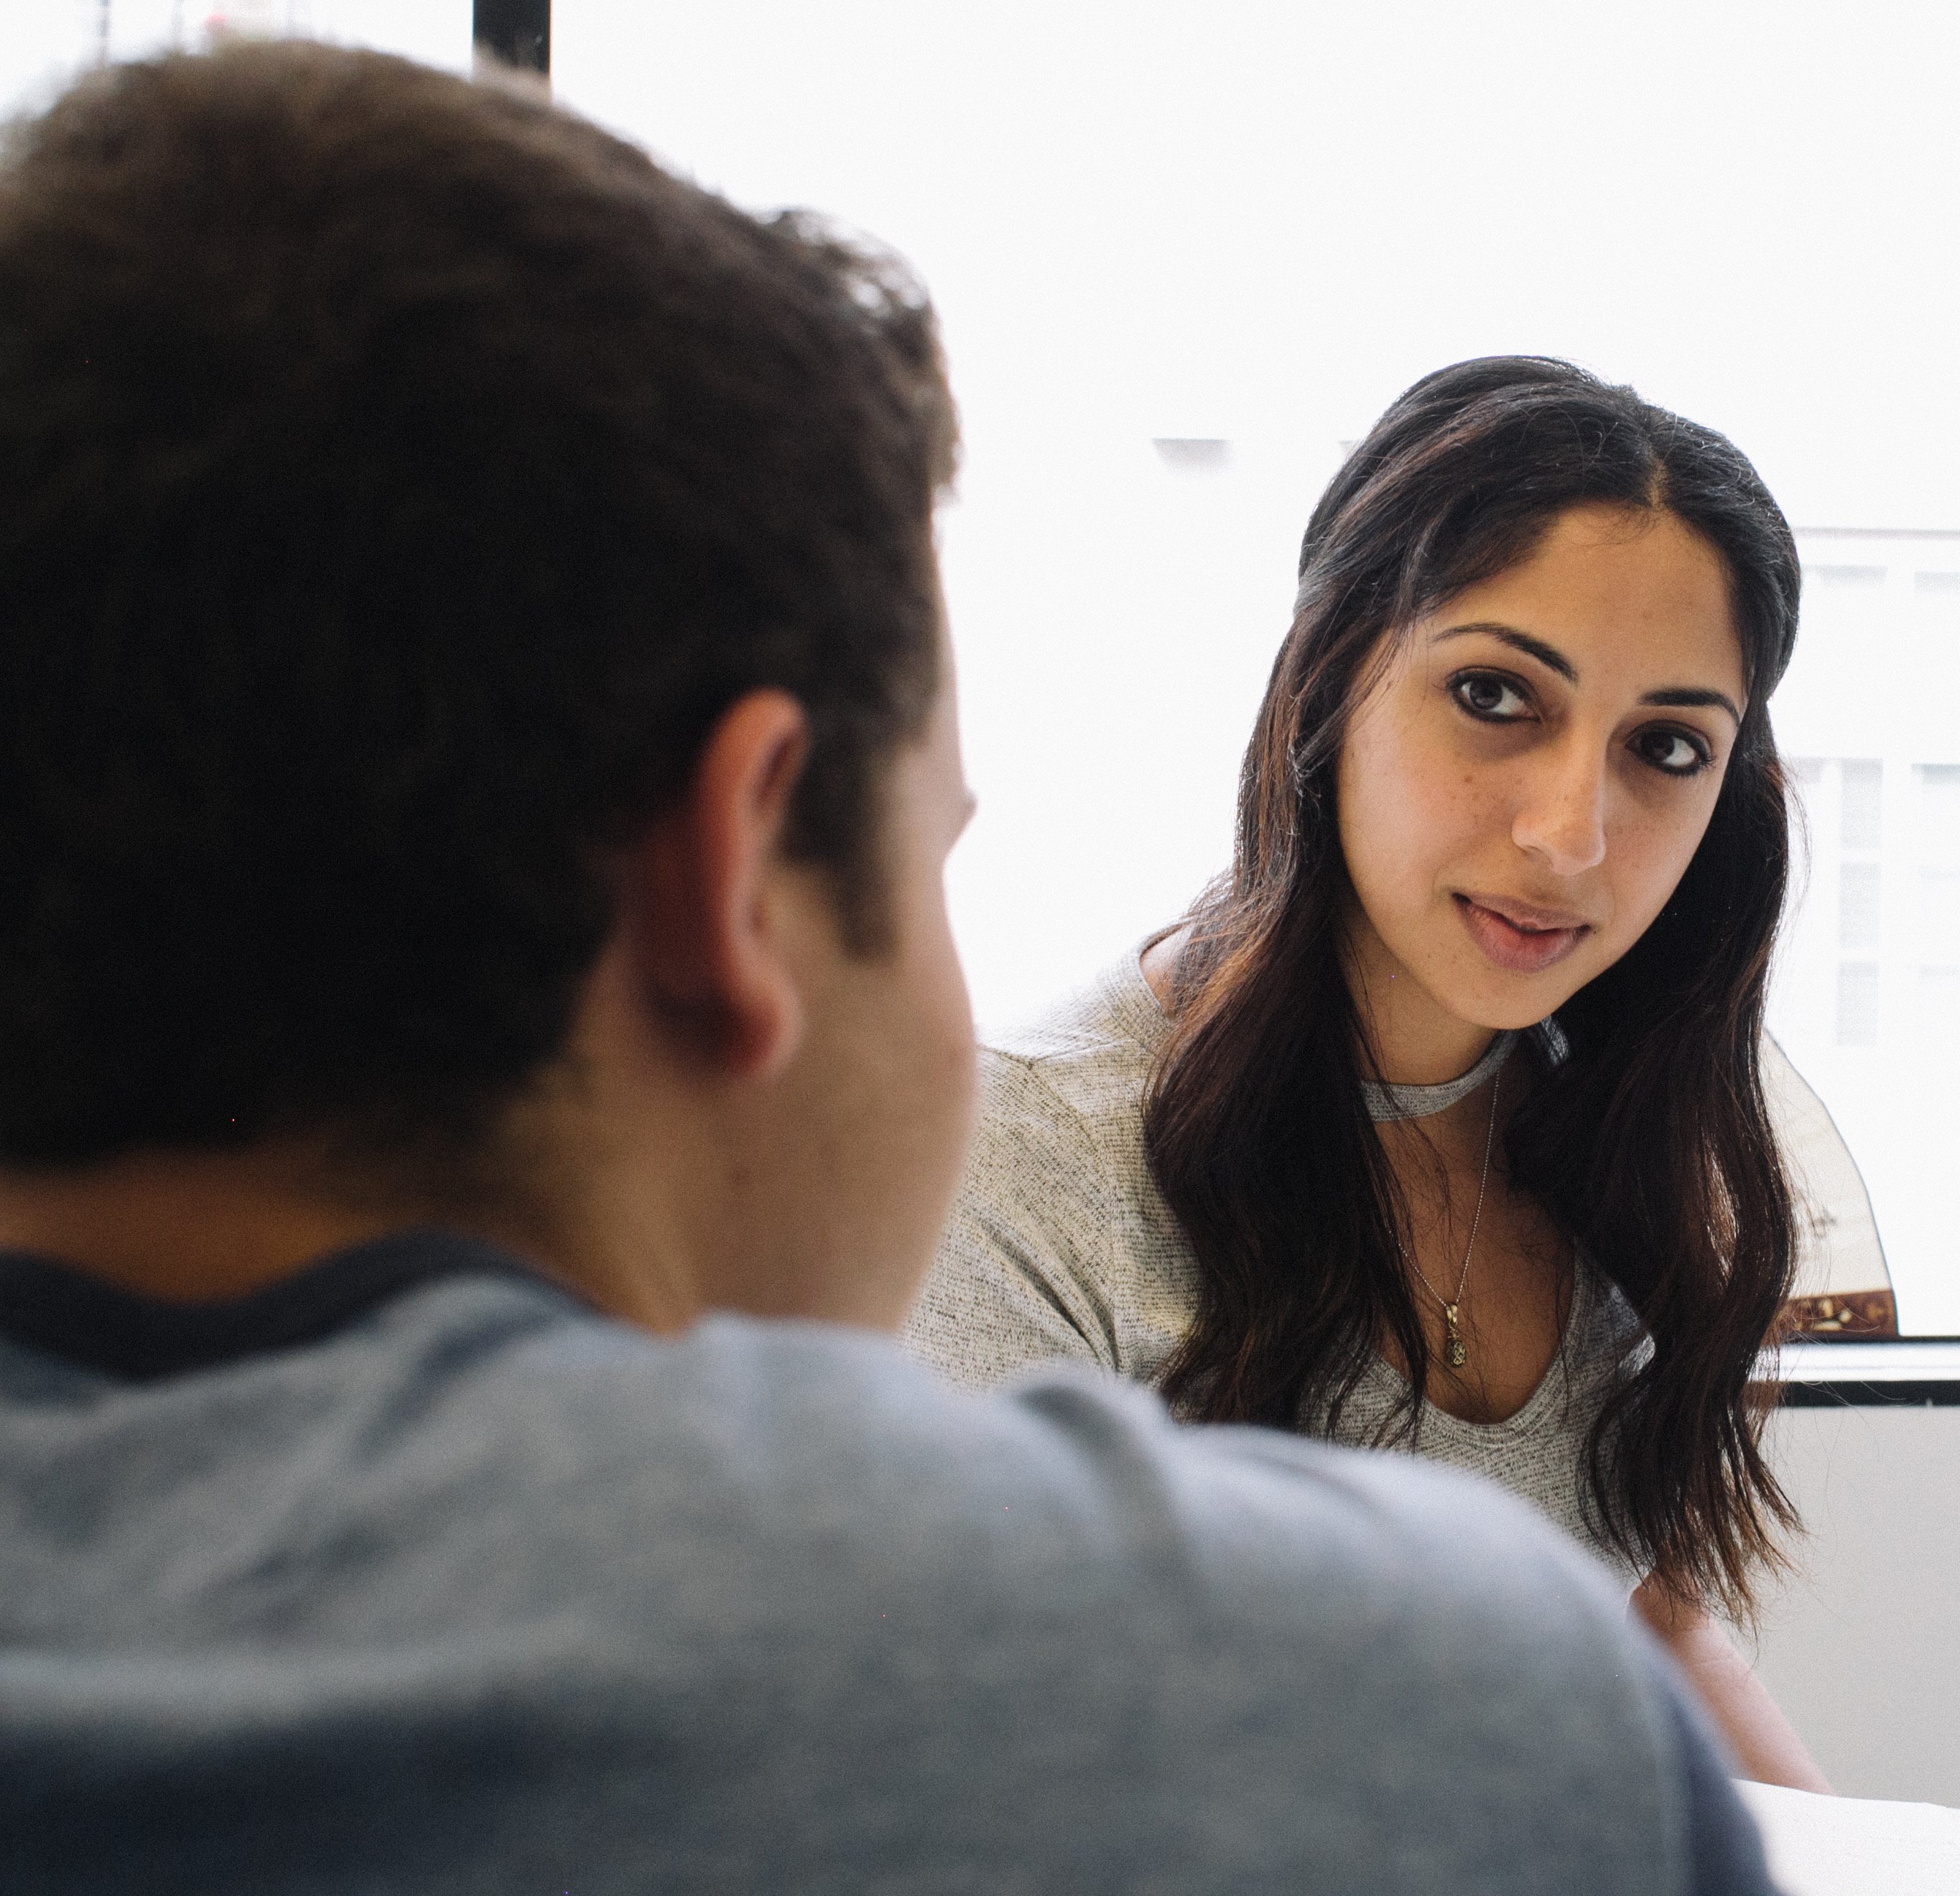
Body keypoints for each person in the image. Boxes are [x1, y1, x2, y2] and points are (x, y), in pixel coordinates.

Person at [0, 44, 1776, 1893]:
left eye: (1671, 746)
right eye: (934, 851)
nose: (1572, 829)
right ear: (732, 873)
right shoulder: (1435, 1707)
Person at [910, 356, 1834, 1790]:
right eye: (1493, 694)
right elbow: (993, 1779)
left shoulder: (1604, 1129)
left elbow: (1640, 1625)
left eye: (1666, 747)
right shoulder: (1021, 1156)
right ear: (1330, 680)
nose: (1571, 833)